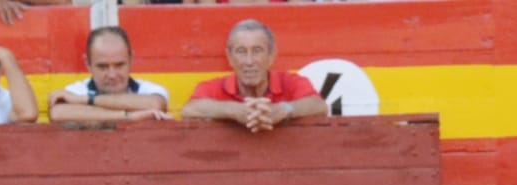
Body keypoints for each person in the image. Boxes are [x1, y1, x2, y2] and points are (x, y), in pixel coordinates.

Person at [180, 20, 327, 132]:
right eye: (241, 51)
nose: (249, 61)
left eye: (257, 51)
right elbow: (189, 110)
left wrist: (283, 109)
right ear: (229, 57)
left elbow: (319, 106)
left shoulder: (291, 82)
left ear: (271, 55)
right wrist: (235, 111)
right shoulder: (213, 87)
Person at [46, 26, 170, 126]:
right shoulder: (76, 90)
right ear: (87, 64)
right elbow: (58, 112)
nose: (112, 75)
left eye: (119, 65)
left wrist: (85, 100)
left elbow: (155, 104)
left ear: (131, 59)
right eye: (102, 67)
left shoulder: (148, 89)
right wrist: (127, 117)